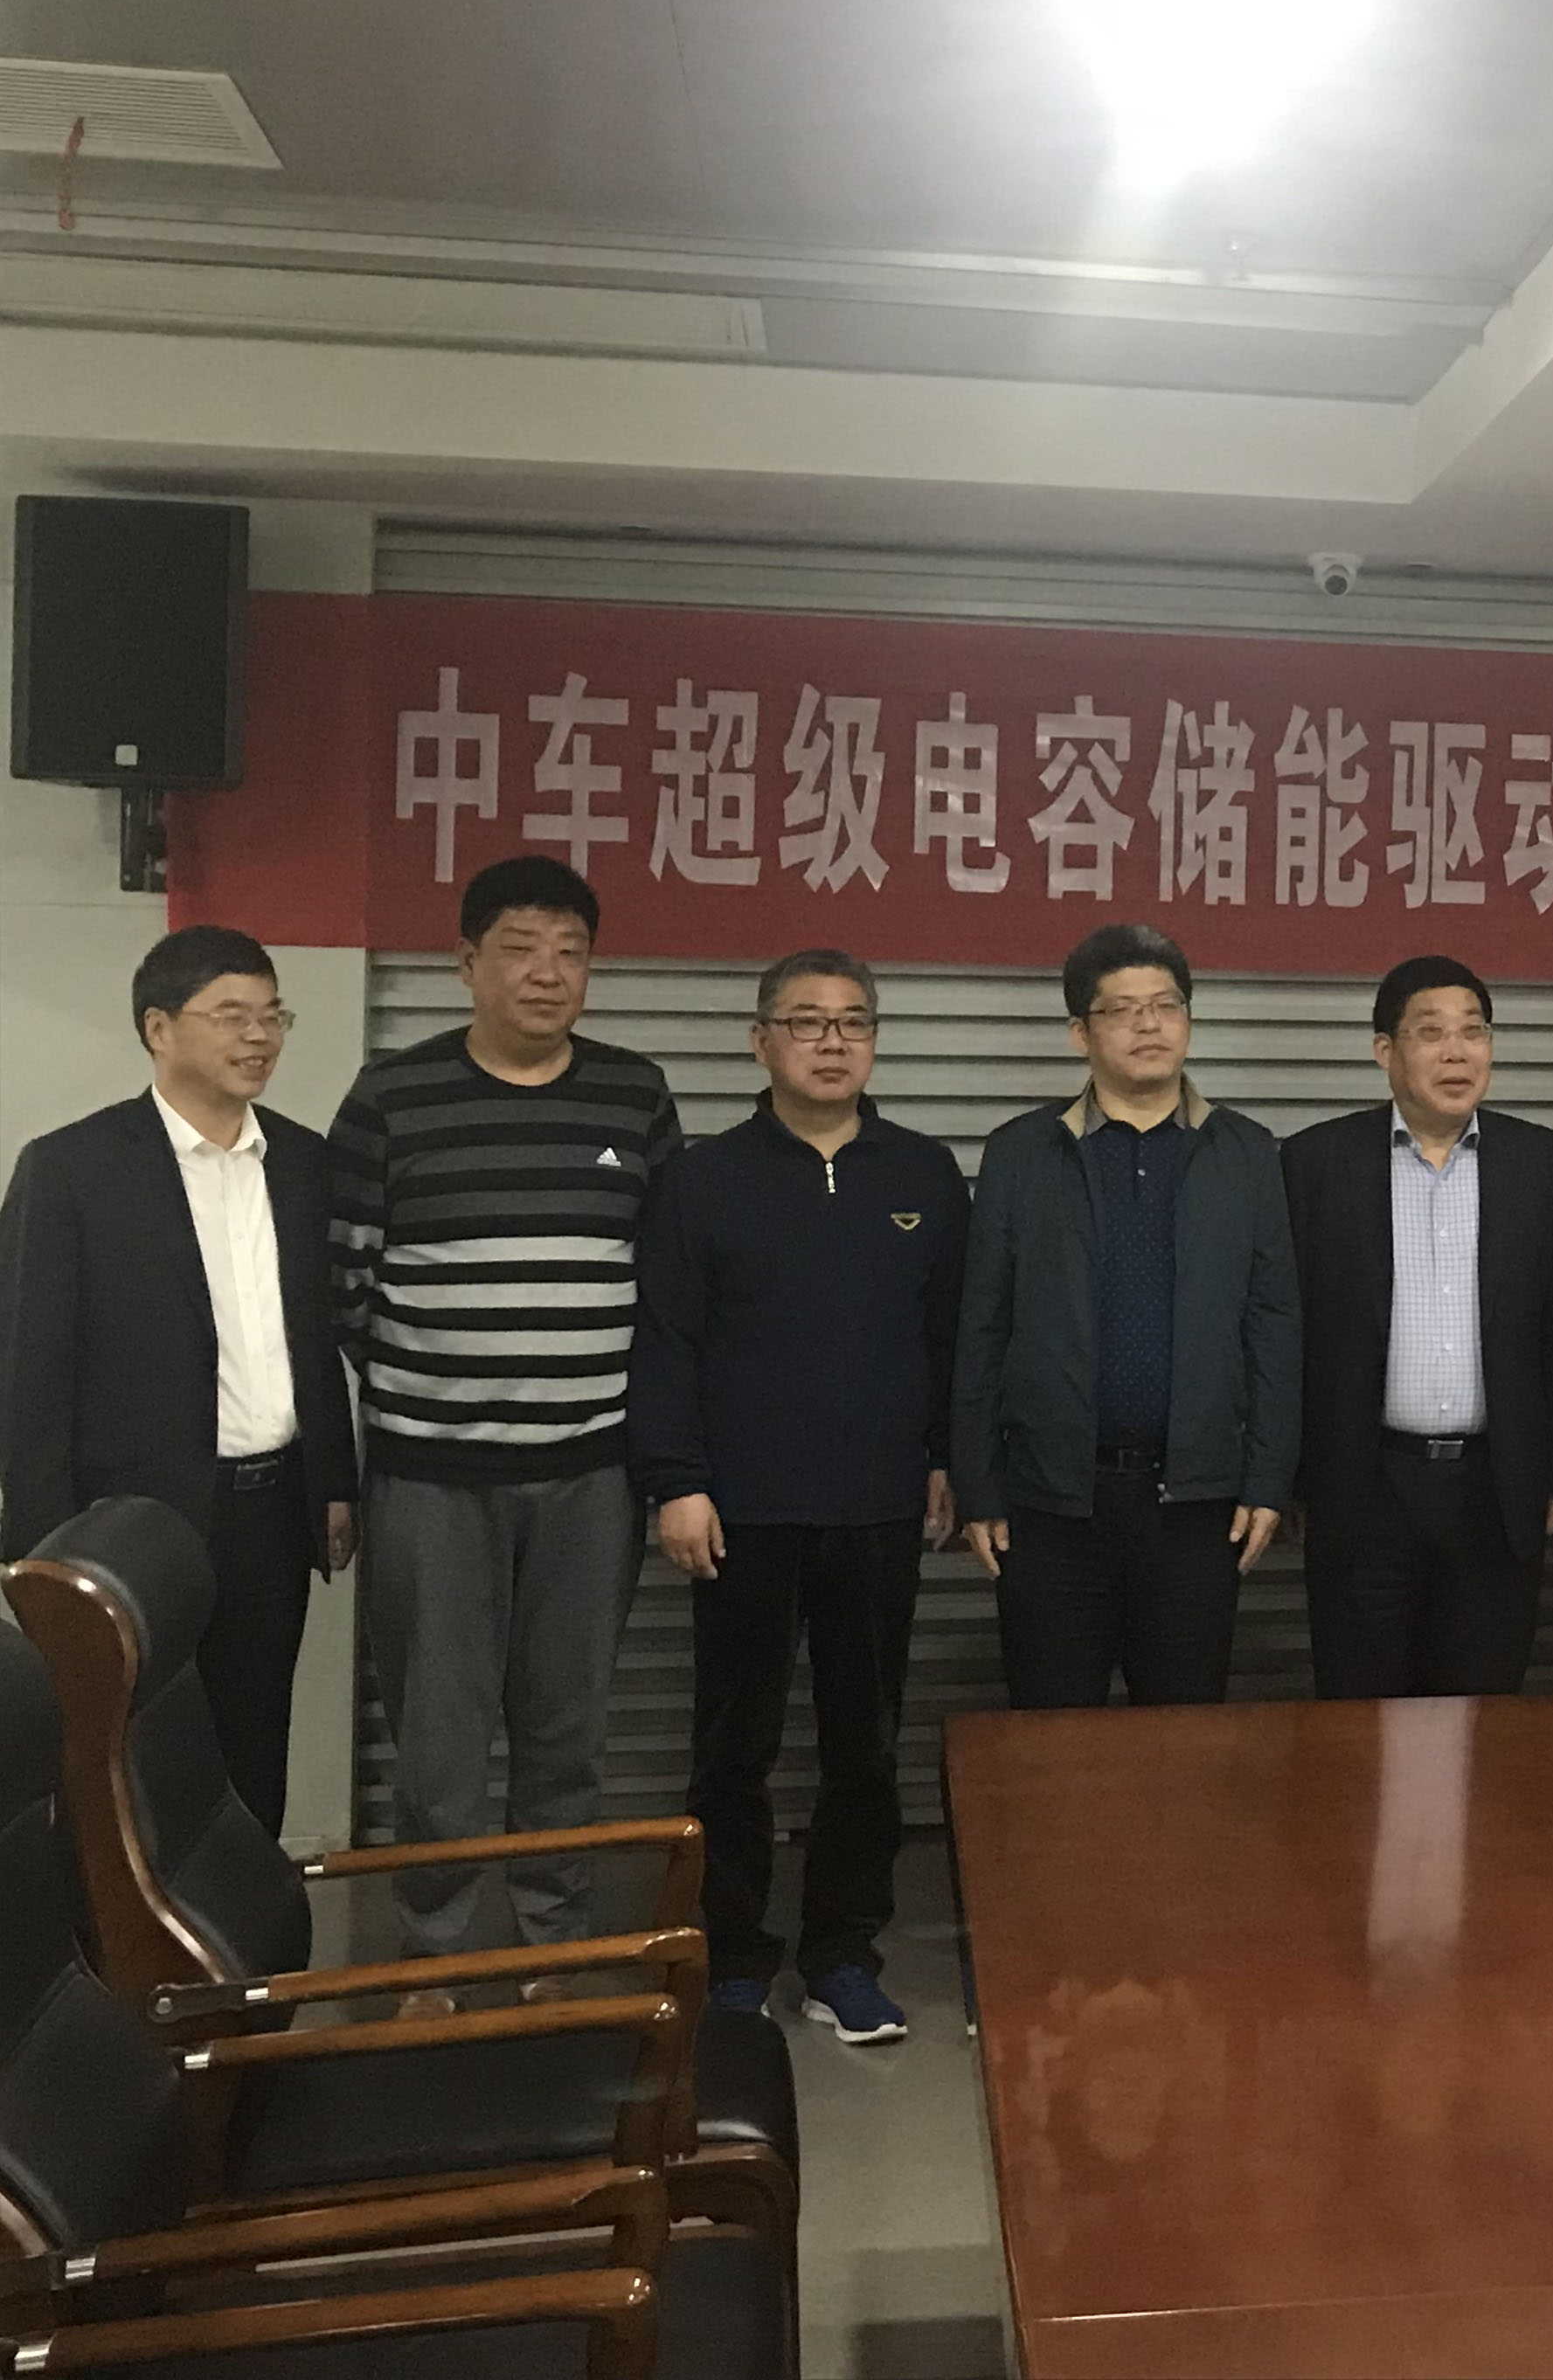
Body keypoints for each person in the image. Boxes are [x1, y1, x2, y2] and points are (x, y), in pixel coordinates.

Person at [329, 857, 680, 1982]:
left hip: (591, 1479)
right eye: (521, 949)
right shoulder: (392, 1097)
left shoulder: (633, 1096)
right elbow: (345, 1288)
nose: (547, 973)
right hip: (433, 1482)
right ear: (465, 963)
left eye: (571, 953)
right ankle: (433, 1955)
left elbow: (663, 1276)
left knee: (566, 1730)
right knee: (437, 1740)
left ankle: (550, 1946)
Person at [632, 949, 966, 2045]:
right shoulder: (703, 1178)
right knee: (735, 1747)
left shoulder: (923, 1174)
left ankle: (841, 1955)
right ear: (760, 1040)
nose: (832, 1042)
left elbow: (950, 1339)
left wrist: (943, 1458)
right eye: (807, 1021)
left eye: (853, 1022)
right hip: (742, 1511)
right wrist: (678, 1482)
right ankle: (732, 1956)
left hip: (877, 1507)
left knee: (864, 1746)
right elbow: (667, 1342)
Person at [0, 927, 354, 1833]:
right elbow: (28, 1372)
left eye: (273, 1016)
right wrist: (42, 1554)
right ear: (159, 1029)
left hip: (271, 1512)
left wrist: (334, 1483)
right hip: (129, 1524)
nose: (259, 1036)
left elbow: (315, 1343)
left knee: (253, 1743)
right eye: (232, 1015)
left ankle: (245, 1923)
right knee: (124, 1755)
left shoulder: (303, 1164)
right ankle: (123, 1924)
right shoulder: (72, 1169)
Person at [953, 924, 1298, 1709]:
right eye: (1122, 1010)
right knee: (1051, 1735)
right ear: (1081, 1032)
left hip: (1198, 1504)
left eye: (1166, 1006)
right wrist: (978, 1484)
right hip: (1052, 1502)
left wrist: (1269, 1478)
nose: (1149, 1025)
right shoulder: (1022, 1153)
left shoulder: (1247, 1153)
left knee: (1183, 1740)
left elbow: (1273, 1324)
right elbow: (983, 1327)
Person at [1284, 956, 1553, 1698]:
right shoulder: (1315, 1164)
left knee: (1480, 1717)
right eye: (1432, 1033)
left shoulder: (1542, 1164)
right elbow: (1288, 1333)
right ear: (1385, 1051)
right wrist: (1291, 1479)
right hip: (1365, 1486)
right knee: (1361, 1717)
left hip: (1495, 1487)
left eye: (1474, 1033)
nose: (1457, 1053)